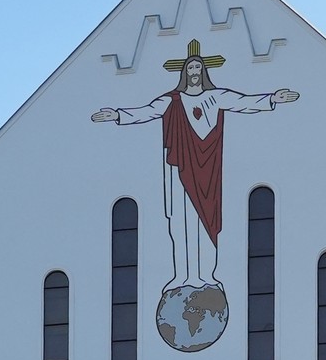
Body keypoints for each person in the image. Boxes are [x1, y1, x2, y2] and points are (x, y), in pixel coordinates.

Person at [92, 39, 298, 297]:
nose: (193, 74)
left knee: (207, 221)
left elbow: (242, 102)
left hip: (208, 171)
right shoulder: (172, 101)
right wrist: (118, 115)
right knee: (179, 222)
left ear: (204, 72)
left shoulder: (215, 96)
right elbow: (148, 111)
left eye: (198, 69)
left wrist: (271, 99)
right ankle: (182, 276)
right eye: (189, 70)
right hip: (179, 169)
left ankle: (206, 276)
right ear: (183, 73)